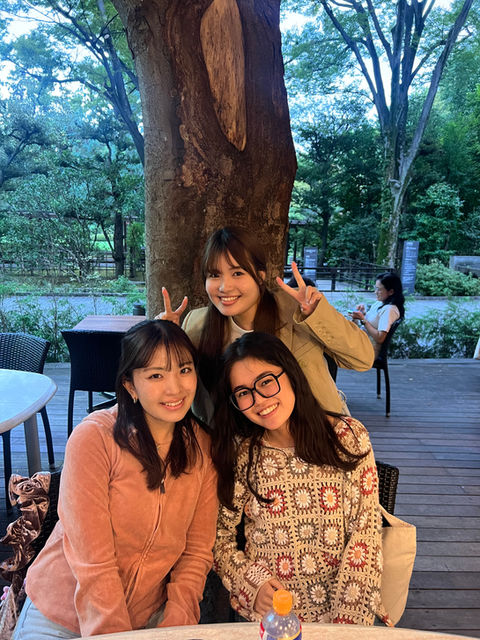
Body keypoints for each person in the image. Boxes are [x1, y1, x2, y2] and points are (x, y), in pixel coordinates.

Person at [13, 320, 218, 639]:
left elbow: (196, 553)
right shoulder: (95, 438)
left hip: (147, 618)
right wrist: (114, 635)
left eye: (184, 370)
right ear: (130, 386)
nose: (175, 388)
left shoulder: (202, 450)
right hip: (61, 612)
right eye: (156, 375)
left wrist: (176, 625)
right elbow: (93, 563)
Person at [212, 332, 389, 625]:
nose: (259, 400)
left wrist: (345, 628)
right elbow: (218, 539)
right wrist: (252, 583)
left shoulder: (348, 438)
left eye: (266, 381)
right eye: (243, 393)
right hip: (270, 619)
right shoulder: (243, 453)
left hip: (342, 616)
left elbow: (365, 539)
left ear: (290, 373)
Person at [158, 226, 374, 419]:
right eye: (214, 275)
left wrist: (317, 315)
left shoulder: (294, 310)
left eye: (237, 273)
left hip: (313, 437)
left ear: (260, 276)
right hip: (233, 445)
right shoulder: (196, 324)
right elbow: (177, 389)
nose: (224, 287)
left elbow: (363, 359)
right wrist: (167, 340)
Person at [351, 272, 405, 357]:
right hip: (360, 341)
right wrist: (362, 313)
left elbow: (380, 338)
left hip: (367, 350)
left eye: (379, 289)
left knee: (332, 341)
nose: (375, 292)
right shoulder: (380, 303)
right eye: (375, 288)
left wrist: (363, 319)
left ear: (391, 292)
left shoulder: (389, 310)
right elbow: (375, 321)